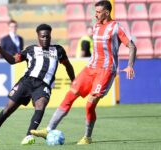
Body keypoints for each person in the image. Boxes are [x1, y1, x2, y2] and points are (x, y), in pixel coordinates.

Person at [31, 0, 137, 145]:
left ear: (106, 12)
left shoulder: (116, 27)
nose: (96, 15)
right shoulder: (96, 26)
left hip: (105, 71)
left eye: (98, 12)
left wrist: (130, 65)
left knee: (90, 104)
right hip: (90, 68)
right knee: (69, 95)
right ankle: (49, 129)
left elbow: (132, 46)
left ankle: (87, 137)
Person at [0, 24, 75, 146]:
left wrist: (74, 81)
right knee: (8, 109)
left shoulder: (58, 50)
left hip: (43, 84)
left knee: (41, 104)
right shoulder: (30, 50)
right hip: (26, 82)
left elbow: (68, 65)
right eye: (43, 37)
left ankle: (28, 136)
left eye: (48, 36)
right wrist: (0, 49)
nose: (45, 39)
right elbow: (13, 60)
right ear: (38, 37)